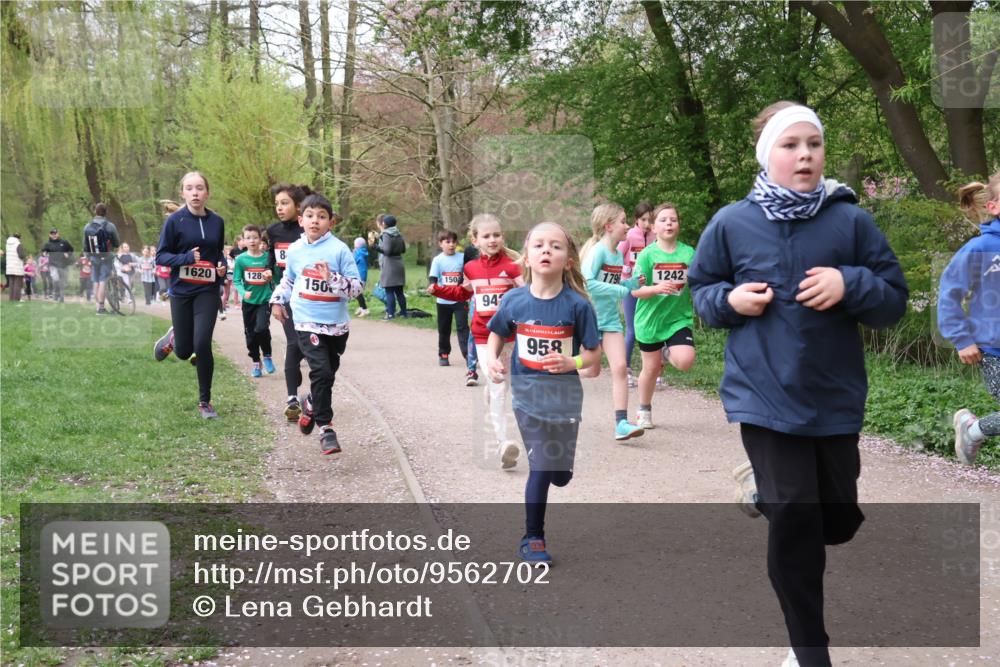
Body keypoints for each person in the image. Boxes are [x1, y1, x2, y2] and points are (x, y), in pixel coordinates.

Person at [688, 101, 908, 667]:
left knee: (836, 518)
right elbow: (703, 294)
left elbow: (892, 302)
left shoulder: (851, 222)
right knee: (795, 518)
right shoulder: (732, 222)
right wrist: (730, 300)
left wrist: (850, 282)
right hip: (762, 395)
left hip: (833, 396)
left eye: (813, 143)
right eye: (791, 145)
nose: (804, 154)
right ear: (768, 155)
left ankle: (764, 490)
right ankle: (810, 649)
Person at [485, 221, 600, 562]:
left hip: (565, 401)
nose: (546, 250)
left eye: (556, 246)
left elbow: (594, 356)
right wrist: (491, 359)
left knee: (560, 475)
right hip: (527, 397)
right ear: (527, 258)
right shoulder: (515, 300)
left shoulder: (577, 305)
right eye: (539, 245)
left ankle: (558, 471)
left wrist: (571, 362)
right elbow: (496, 334)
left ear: (569, 261)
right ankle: (532, 538)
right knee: (541, 466)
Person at [270, 193, 363, 456]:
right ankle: (326, 428)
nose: (315, 221)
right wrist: (277, 300)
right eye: (310, 216)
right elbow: (288, 280)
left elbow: (356, 289)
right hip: (306, 321)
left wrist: (332, 278)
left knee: (327, 374)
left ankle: (310, 403)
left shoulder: (339, 250)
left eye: (321, 217)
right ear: (301, 220)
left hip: (336, 326)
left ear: (330, 222)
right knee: (320, 372)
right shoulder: (296, 250)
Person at [428, 213, 524, 468]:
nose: (492, 240)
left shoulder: (514, 268)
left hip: (511, 335)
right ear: (475, 240)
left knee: (511, 385)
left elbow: (527, 297)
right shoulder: (470, 268)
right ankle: (504, 443)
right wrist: (438, 289)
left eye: (497, 235)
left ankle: (493, 395)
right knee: (497, 384)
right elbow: (463, 291)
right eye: (486, 236)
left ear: (502, 237)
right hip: (483, 335)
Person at [152, 172, 228, 419]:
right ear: (182, 193)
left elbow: (218, 253)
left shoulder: (217, 221)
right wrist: (185, 258)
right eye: (189, 188)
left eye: (199, 188)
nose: (195, 193)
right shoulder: (175, 221)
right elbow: (161, 256)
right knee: (185, 351)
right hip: (182, 290)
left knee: (203, 343)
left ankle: (205, 401)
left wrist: (221, 266)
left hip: (207, 289)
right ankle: (175, 338)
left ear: (207, 192)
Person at [939, 172, 1000, 465]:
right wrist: (962, 339)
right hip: (993, 351)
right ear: (994, 207)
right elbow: (949, 293)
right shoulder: (980, 249)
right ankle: (972, 431)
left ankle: (972, 430)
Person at [579, 203, 647, 441]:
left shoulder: (618, 254)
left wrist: (633, 284)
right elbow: (587, 282)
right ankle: (563, 371)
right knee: (592, 370)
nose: (627, 225)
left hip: (610, 322)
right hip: (590, 320)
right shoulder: (598, 251)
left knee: (619, 368)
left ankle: (621, 424)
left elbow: (617, 286)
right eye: (623, 221)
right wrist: (619, 289)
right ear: (608, 226)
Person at [633, 202, 698, 429]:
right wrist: (656, 289)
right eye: (663, 220)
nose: (669, 223)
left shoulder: (689, 253)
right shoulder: (646, 256)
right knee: (650, 369)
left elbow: (701, 279)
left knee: (685, 360)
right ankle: (643, 410)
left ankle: (667, 350)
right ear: (653, 227)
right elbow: (634, 290)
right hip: (650, 320)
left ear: (678, 225)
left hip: (677, 319)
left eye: (673, 219)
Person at [265, 182, 312, 421]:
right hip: (286, 296)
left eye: (285, 203)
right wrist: (267, 273)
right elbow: (271, 261)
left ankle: (308, 392)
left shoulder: (309, 229)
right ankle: (292, 398)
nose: (280, 208)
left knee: (309, 346)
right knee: (294, 342)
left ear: (297, 206)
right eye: (277, 204)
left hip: (310, 298)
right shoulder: (273, 232)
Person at [618, 201, 655, 388]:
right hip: (630, 288)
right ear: (636, 220)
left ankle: (653, 370)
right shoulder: (629, 237)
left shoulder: (656, 236)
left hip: (649, 289)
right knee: (632, 329)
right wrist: (628, 270)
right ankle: (626, 370)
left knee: (652, 328)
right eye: (643, 220)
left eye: (650, 220)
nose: (647, 224)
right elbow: (616, 258)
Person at [233, 225, 276, 378]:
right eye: (248, 238)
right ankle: (256, 362)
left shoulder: (267, 258)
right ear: (243, 240)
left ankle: (268, 355)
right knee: (250, 334)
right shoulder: (241, 260)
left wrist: (271, 277)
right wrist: (244, 293)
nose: (252, 240)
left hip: (264, 300)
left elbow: (276, 277)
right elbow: (236, 280)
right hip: (249, 303)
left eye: (255, 237)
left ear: (260, 239)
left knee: (261, 328)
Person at [428, 228, 470, 367]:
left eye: (453, 242)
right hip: (443, 301)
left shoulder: (462, 257)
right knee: (444, 328)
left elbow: (469, 275)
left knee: (463, 328)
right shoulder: (437, 260)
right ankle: (444, 353)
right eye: (448, 242)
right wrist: (432, 286)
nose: (451, 244)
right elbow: (433, 278)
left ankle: (468, 355)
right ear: (441, 243)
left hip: (460, 299)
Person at [83, 202, 122, 314]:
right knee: (103, 281)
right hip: (106, 256)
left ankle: (97, 306)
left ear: (95, 211)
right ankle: (101, 307)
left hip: (93, 257)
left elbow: (85, 245)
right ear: (106, 212)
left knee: (95, 281)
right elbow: (116, 242)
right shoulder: (110, 226)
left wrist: (88, 256)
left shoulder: (87, 226)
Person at [374, 214, 407, 319]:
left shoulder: (386, 234)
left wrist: (374, 246)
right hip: (399, 263)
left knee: (389, 291)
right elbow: (403, 249)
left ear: (385, 224)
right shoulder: (398, 233)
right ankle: (403, 312)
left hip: (390, 265)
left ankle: (390, 314)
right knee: (399, 291)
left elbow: (387, 251)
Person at [41, 228, 74, 303]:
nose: (54, 235)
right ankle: (57, 294)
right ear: (50, 235)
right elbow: (43, 251)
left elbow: (71, 249)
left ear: (58, 234)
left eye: (55, 233)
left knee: (63, 281)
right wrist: (44, 253)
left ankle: (61, 296)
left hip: (63, 265)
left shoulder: (64, 242)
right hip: (53, 265)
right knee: (56, 279)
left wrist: (67, 254)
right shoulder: (48, 244)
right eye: (52, 234)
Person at [5, 233, 26, 301]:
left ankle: (11, 299)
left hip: (9, 267)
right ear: (19, 238)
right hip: (17, 267)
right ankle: (16, 299)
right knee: (17, 284)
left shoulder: (8, 245)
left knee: (11, 284)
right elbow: (21, 255)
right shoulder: (18, 244)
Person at [352, 237, 370, 317]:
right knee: (357, 292)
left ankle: (365, 309)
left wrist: (353, 253)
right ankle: (361, 307)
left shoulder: (358, 253)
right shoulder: (363, 251)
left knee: (358, 293)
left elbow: (353, 261)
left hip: (359, 275)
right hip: (362, 274)